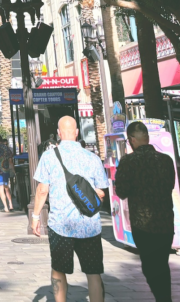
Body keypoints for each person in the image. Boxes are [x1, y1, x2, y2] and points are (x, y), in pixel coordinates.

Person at [31, 116, 109, 302]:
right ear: (76, 133)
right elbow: (102, 192)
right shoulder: (93, 158)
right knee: (93, 272)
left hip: (61, 225)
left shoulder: (49, 156)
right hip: (89, 225)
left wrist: (35, 217)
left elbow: (42, 190)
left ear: (58, 133)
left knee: (58, 270)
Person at [114, 121, 177, 302]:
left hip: (142, 223)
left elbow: (121, 191)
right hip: (165, 221)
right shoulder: (166, 160)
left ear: (132, 140)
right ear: (147, 138)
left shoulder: (129, 161)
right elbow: (169, 186)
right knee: (162, 264)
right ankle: (165, 298)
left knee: (149, 266)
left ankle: (162, 298)